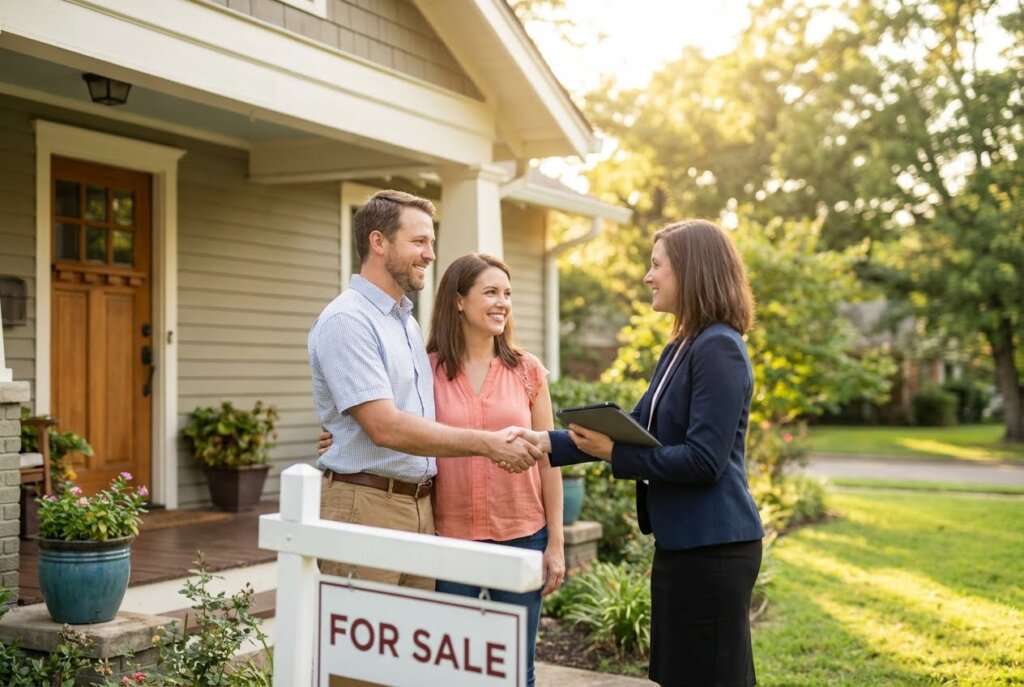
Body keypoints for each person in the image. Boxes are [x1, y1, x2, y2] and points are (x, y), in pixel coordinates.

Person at [515, 219, 764, 687]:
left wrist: (615, 455)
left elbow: (703, 461)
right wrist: (544, 442)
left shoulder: (720, 349)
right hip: (682, 545)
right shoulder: (681, 346)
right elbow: (635, 431)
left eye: (657, 265)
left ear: (692, 271)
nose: (648, 277)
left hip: (715, 551)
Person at [320, 253, 565, 687]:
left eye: (507, 294)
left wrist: (556, 543)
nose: (502, 303)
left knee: (515, 668)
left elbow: (550, 459)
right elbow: (388, 422)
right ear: (458, 301)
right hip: (449, 537)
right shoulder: (426, 369)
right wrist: (338, 438)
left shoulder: (528, 371)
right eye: (490, 292)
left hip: (523, 533)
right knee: (453, 668)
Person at [308, 190, 541, 591]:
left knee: (414, 650)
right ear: (377, 242)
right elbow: (384, 427)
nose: (430, 254)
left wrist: (341, 433)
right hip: (368, 506)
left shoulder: (404, 323)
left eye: (431, 242)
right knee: (366, 646)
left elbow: (408, 414)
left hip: (418, 508)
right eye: (419, 242)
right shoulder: (349, 320)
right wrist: (488, 444)